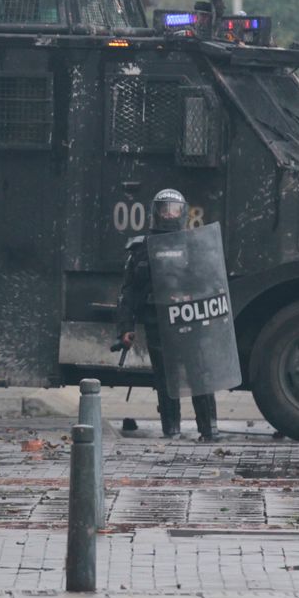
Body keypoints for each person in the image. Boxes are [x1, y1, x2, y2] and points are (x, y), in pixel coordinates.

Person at [115, 188, 219, 442]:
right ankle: (170, 428)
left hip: (189, 319)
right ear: (157, 212)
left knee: (200, 374)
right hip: (157, 322)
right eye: (165, 209)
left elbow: (210, 282)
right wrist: (126, 328)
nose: (170, 214)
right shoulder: (142, 248)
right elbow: (129, 292)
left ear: (182, 213)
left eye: (175, 209)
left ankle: (208, 429)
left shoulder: (196, 246)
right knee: (165, 378)